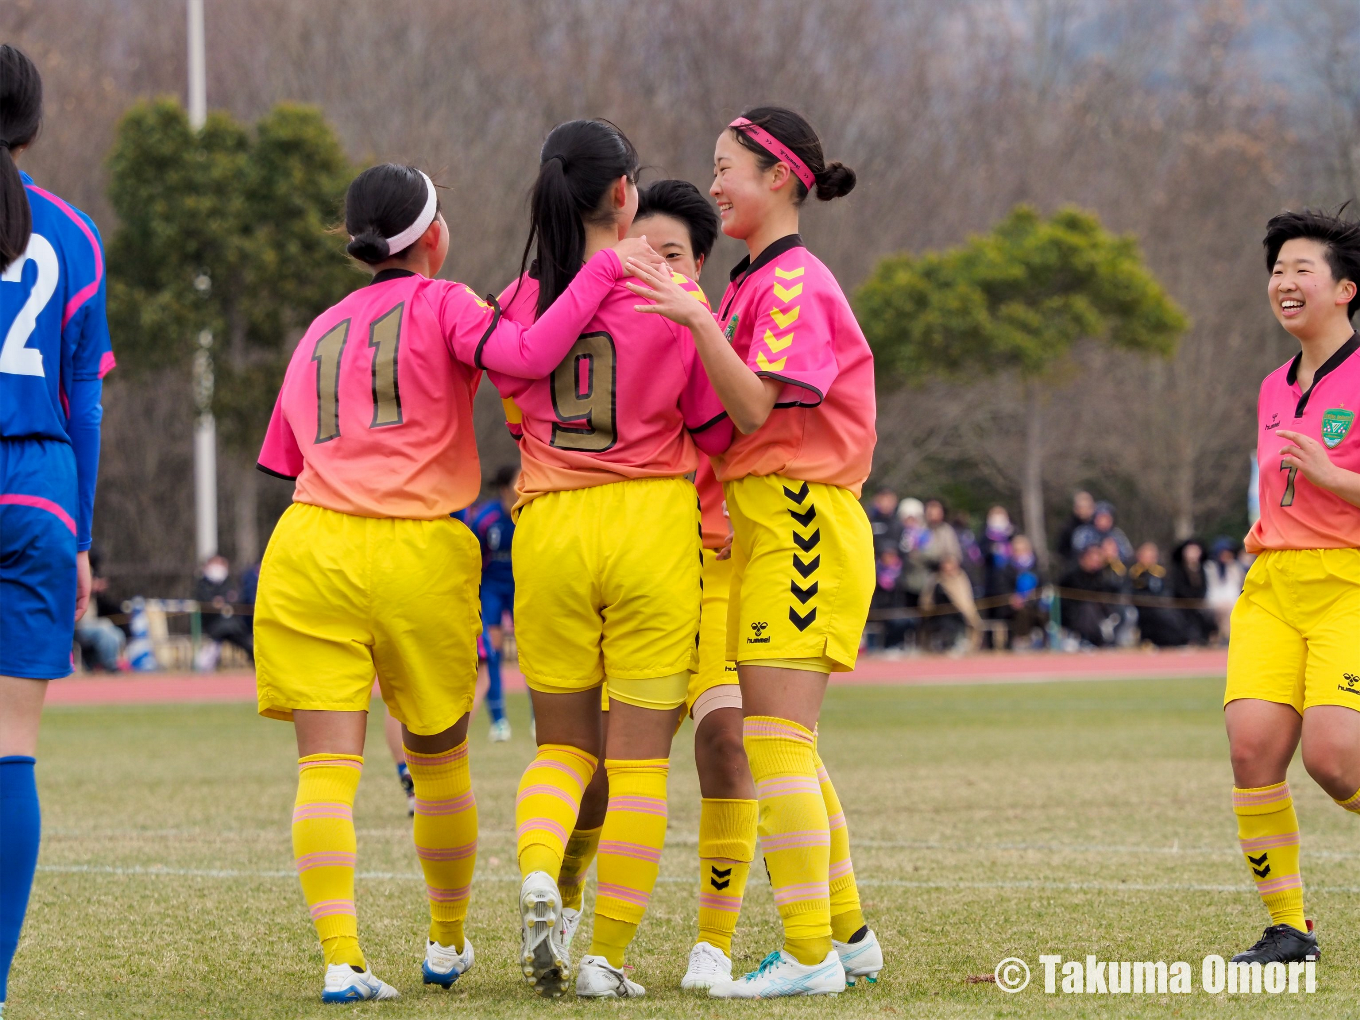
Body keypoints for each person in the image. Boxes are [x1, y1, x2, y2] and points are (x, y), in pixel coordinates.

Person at [253, 161, 655, 1002]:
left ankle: (341, 959)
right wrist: (608, 267)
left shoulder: (321, 325)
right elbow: (528, 354)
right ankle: (445, 944)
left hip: (309, 543)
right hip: (416, 549)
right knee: (438, 762)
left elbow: (281, 457)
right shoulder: (446, 302)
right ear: (433, 236)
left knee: (325, 766)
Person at [624, 105, 882, 998]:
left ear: (780, 178)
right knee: (788, 745)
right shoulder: (750, 280)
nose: (716, 183)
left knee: (775, 740)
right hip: (768, 522)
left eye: (726, 166)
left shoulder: (794, 282)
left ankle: (810, 953)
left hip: (801, 524)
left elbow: (756, 410)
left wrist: (691, 318)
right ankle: (845, 943)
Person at [495, 123, 732, 1000]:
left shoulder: (520, 297)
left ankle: (538, 880)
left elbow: (512, 394)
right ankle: (608, 960)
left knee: (562, 751)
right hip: (649, 523)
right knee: (636, 766)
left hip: (550, 522)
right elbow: (718, 424)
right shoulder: (669, 292)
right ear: (626, 193)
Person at [0, 45, 115, 1019]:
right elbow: (84, 398)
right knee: (10, 752)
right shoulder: (72, 232)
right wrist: (76, 536)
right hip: (38, 489)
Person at [1221, 208, 1360, 966]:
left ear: (1346, 288)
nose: (1283, 283)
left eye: (1301, 269)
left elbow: (1333, 483)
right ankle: (1289, 931)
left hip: (1350, 584)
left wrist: (1339, 479)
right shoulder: (1273, 384)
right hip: (1274, 584)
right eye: (1276, 271)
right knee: (1252, 751)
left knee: (1335, 760)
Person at [470, 465, 518, 742]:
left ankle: (539, 720)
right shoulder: (486, 519)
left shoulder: (529, 513)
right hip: (490, 588)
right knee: (492, 649)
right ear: (504, 488)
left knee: (531, 649)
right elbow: (474, 557)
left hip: (519, 586)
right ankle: (499, 721)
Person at [1057, 544, 1125, 647]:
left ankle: (1108, 639)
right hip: (1075, 613)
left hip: (1101, 613)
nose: (1095, 562)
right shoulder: (1071, 576)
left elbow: (1115, 590)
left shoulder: (1104, 575)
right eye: (1092, 558)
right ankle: (1087, 639)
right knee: (1087, 609)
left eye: (1098, 559)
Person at [193, 554, 254, 668]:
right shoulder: (203, 584)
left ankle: (255, 660)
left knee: (243, 641)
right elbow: (202, 601)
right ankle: (202, 666)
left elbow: (236, 598)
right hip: (213, 625)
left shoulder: (228, 582)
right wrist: (214, 604)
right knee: (214, 644)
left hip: (232, 625)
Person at [74, 550, 125, 672]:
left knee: (116, 633)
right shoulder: (73, 570)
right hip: (77, 625)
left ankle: (105, 663)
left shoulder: (90, 571)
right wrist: (90, 588)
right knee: (103, 630)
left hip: (92, 622)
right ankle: (110, 666)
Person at [1128, 542, 1185, 647]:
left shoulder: (1160, 572)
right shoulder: (1135, 572)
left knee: (1175, 615)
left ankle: (1176, 640)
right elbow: (1133, 592)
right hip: (1144, 606)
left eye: (1152, 556)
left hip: (1160, 604)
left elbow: (1167, 589)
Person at [1169, 538, 1213, 645]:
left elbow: (1204, 587)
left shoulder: (1202, 569)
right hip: (1181, 604)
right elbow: (1178, 588)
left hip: (1198, 603)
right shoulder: (1177, 569)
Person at [1206, 537, 1246, 641]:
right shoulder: (1210, 567)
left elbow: (1235, 587)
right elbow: (1211, 588)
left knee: (1230, 609)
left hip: (1231, 599)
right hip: (1214, 599)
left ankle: (1226, 636)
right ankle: (1226, 636)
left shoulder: (1235, 567)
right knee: (1223, 609)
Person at [1055, 490, 1095, 566]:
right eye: (1080, 507)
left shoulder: (1098, 526)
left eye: (1087, 507)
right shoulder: (1068, 527)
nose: (1083, 510)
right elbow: (1061, 550)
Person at [867, 488, 900, 554]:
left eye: (889, 501)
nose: (885, 504)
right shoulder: (868, 521)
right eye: (882, 500)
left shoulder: (899, 524)